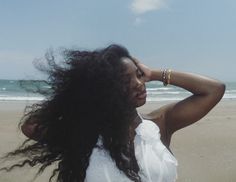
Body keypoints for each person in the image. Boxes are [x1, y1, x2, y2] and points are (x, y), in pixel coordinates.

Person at [0, 44, 225, 182]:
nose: (139, 84)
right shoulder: (85, 135)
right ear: (105, 88)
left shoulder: (158, 124)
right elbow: (31, 126)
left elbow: (213, 90)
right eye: (126, 80)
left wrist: (155, 73)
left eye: (139, 75)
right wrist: (81, 95)